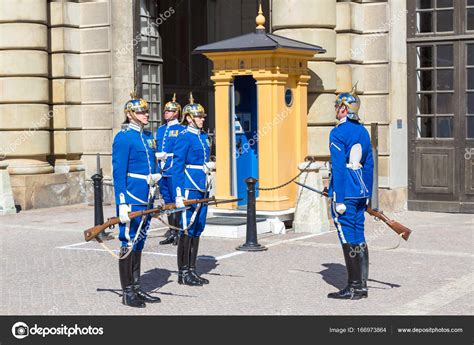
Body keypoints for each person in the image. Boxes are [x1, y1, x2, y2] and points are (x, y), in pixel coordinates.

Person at [112, 92, 162, 307]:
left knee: (140, 239)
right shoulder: (123, 138)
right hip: (132, 194)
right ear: (130, 115)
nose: (145, 114)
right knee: (128, 240)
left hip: (147, 194)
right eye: (141, 112)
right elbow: (118, 172)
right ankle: (127, 291)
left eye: (145, 111)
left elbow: (151, 162)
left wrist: (157, 173)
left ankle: (137, 286)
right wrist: (122, 201)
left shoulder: (147, 136)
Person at [327, 84, 374, 300]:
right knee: (359, 235)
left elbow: (338, 167)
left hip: (345, 191)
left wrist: (340, 199)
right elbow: (369, 165)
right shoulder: (363, 132)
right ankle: (362, 285)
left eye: (338, 106)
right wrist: (367, 195)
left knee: (347, 236)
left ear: (345, 109)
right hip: (360, 191)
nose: (336, 110)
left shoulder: (338, 132)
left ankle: (354, 286)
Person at [171, 93, 211, 286]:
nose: (203, 119)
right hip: (189, 188)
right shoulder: (184, 137)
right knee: (186, 230)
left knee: (197, 229)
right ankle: (183, 272)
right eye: (199, 116)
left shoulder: (203, 137)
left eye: (203, 117)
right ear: (188, 118)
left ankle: (192, 269)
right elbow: (177, 167)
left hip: (202, 187)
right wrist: (178, 193)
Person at [156, 94, 186, 245]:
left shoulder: (182, 129)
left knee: (177, 199)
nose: (166, 112)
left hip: (174, 167)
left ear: (176, 113)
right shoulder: (161, 130)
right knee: (167, 201)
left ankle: (179, 230)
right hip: (162, 169)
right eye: (165, 110)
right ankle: (171, 229)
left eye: (169, 110)